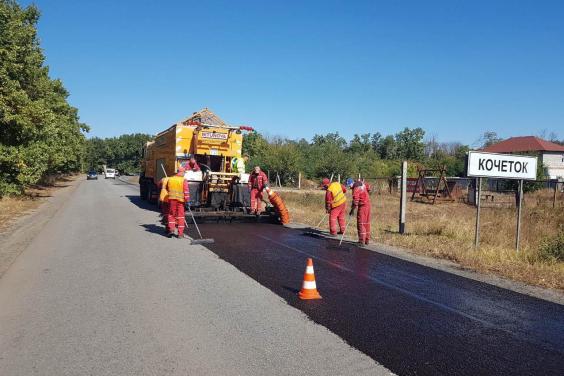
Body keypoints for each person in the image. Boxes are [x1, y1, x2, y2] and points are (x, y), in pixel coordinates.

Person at [165, 167, 190, 238]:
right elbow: (186, 191)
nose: (184, 174)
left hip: (172, 199)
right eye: (184, 172)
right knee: (181, 216)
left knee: (171, 215)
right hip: (180, 201)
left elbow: (167, 189)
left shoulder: (170, 179)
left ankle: (171, 230)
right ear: (181, 172)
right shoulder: (183, 180)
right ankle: (180, 234)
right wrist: (187, 200)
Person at [347, 178, 372, 245]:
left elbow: (355, 201)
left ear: (352, 183)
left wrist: (352, 210)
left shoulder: (356, 188)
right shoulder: (362, 184)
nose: (349, 187)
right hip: (368, 204)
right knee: (367, 223)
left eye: (349, 185)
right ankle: (367, 240)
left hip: (363, 206)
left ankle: (362, 241)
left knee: (361, 223)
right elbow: (369, 187)